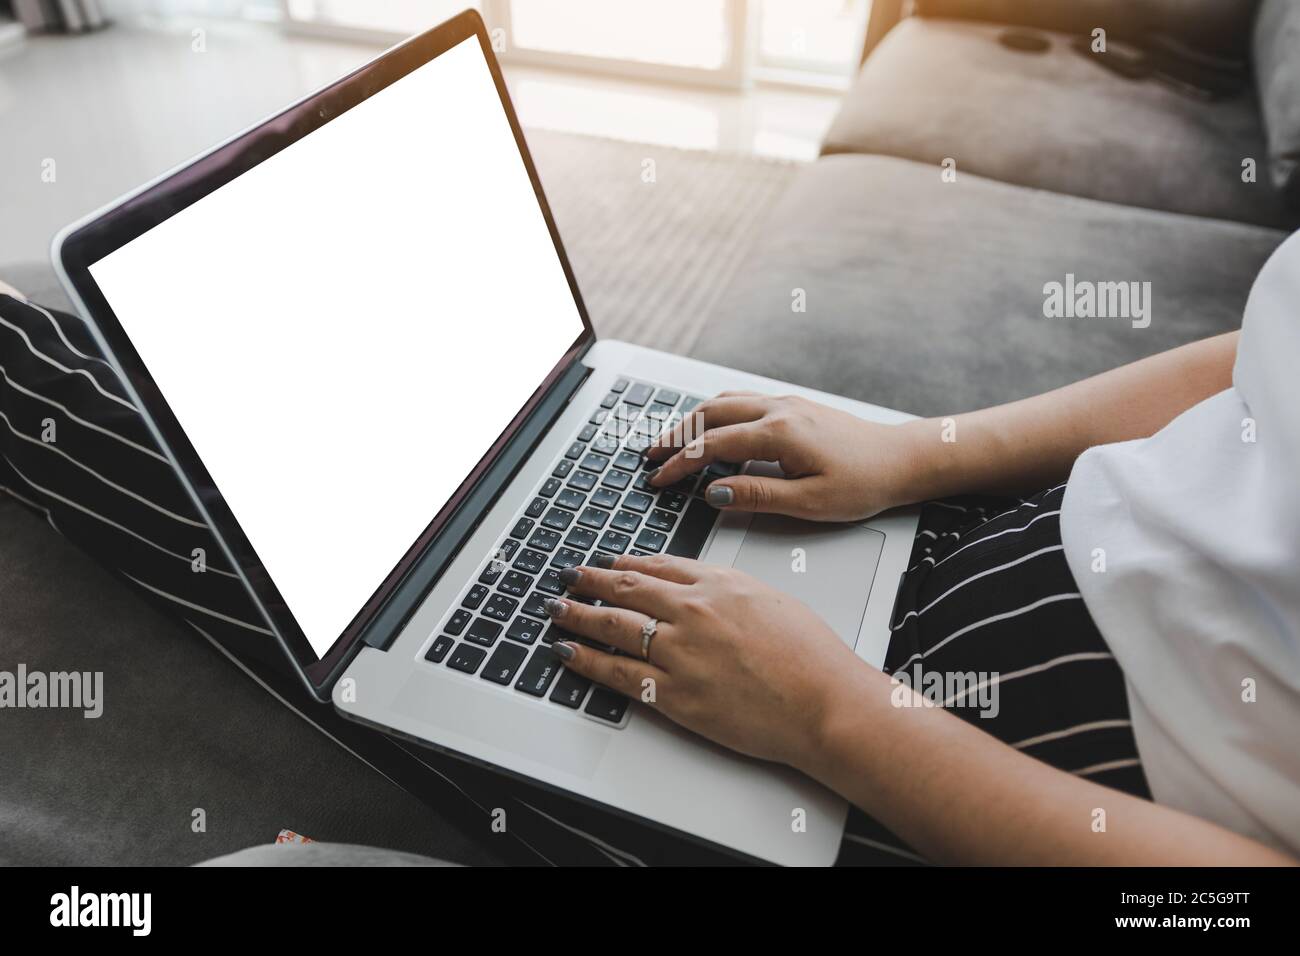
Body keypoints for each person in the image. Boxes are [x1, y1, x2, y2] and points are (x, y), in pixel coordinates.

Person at [1, 231, 1296, 866]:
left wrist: (837, 721)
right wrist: (927, 454)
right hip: (1010, 529)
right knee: (501, 436)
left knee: (297, 552)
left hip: (1002, 791)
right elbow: (1259, 367)